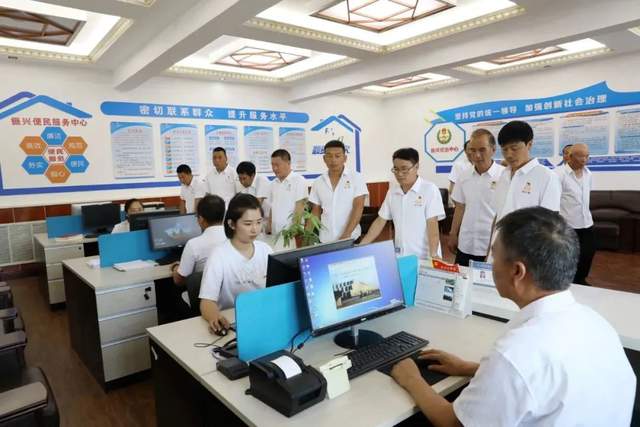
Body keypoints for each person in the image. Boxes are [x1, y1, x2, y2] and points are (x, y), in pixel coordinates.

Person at [391, 207, 636, 427]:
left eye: (494, 256)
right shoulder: (596, 323)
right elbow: (542, 383)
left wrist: (412, 379)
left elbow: (454, 422)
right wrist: (472, 369)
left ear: (517, 271)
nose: (491, 264)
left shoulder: (516, 353)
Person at [199, 194, 273, 333]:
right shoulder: (219, 255)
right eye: (248, 224)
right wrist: (215, 318)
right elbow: (207, 301)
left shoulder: (266, 250)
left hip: (262, 318)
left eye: (258, 222)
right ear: (231, 224)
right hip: (233, 323)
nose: (255, 229)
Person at [360, 148, 445, 259]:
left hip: (425, 256)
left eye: (404, 169)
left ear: (416, 166)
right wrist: (362, 245)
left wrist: (433, 254)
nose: (399, 174)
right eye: (396, 169)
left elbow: (432, 224)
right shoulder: (392, 192)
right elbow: (380, 221)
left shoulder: (429, 189)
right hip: (401, 256)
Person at [448, 129, 504, 266]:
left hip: (492, 245)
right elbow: (460, 207)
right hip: (466, 243)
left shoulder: (504, 176)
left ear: (493, 149)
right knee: (461, 277)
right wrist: (453, 234)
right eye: (472, 150)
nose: (477, 155)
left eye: (482, 150)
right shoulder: (464, 176)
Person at [493, 120, 561, 223]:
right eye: (504, 149)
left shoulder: (547, 177)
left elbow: (550, 222)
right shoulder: (503, 174)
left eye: (514, 148)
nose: (509, 155)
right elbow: (498, 213)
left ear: (529, 144)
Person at [309, 140, 369, 243]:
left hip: (350, 238)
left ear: (345, 158)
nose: (333, 160)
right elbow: (315, 211)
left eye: (337, 156)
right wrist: (307, 235)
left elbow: (358, 207)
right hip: (326, 240)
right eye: (329, 156)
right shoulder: (318, 182)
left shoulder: (356, 178)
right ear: (324, 158)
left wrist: (347, 234)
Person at [555, 143, 595, 285]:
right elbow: (554, 200)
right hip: (568, 225)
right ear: (570, 157)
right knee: (568, 257)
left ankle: (580, 280)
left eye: (587, 156)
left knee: (588, 252)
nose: (584, 159)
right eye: (580, 156)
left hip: (586, 222)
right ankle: (566, 282)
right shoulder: (558, 174)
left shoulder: (588, 174)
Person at [172, 195, 226, 286]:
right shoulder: (235, 239)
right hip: (234, 294)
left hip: (205, 293)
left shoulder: (194, 244)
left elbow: (179, 280)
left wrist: (175, 267)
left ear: (201, 219)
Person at [268, 149, 307, 238]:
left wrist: (293, 232)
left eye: (277, 165)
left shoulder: (299, 181)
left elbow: (299, 208)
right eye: (272, 165)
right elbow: (272, 206)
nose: (274, 168)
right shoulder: (273, 183)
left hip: (291, 234)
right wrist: (269, 225)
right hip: (275, 233)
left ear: (288, 163)